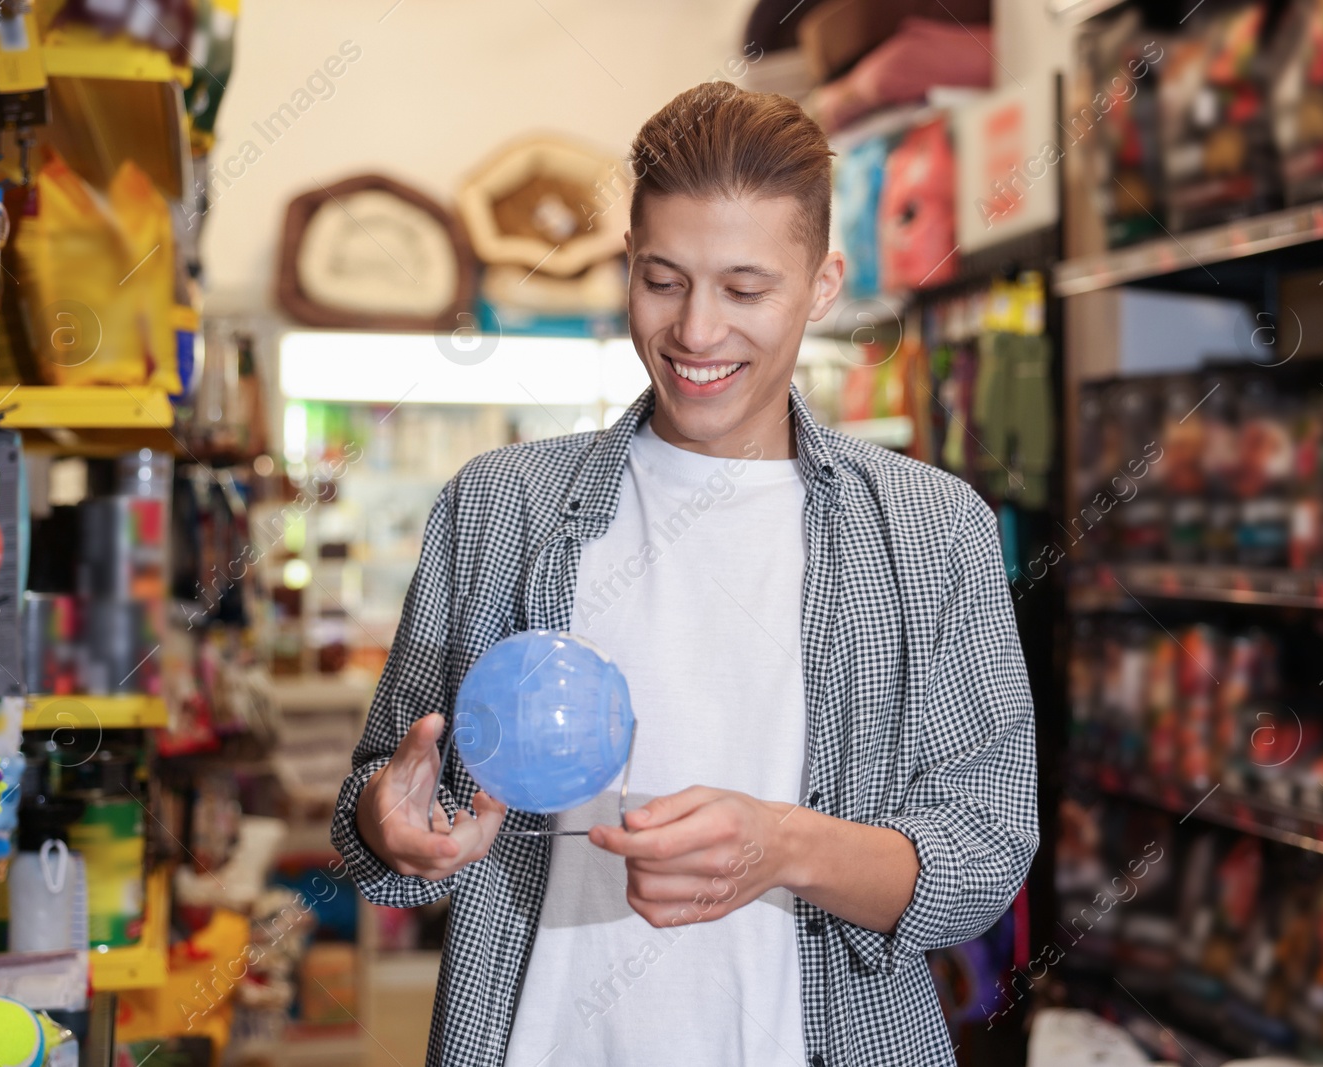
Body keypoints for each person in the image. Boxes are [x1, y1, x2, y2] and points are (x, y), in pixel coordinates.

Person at [332, 81, 1038, 1067]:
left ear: (823, 285)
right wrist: (390, 821)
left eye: (745, 290)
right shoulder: (499, 508)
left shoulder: (929, 531)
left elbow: (984, 851)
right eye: (663, 281)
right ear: (629, 265)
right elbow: (379, 807)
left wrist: (782, 847)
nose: (697, 332)